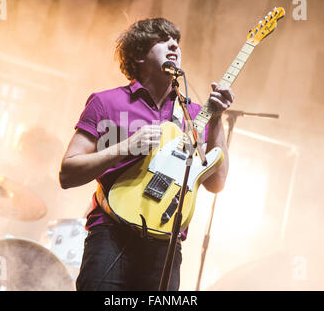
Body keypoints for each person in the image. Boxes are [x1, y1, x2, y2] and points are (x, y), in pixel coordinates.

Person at [59, 17, 234, 291]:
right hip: (111, 234)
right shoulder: (107, 102)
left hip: (166, 245)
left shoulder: (195, 114)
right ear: (139, 55)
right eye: (162, 40)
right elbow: (67, 173)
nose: (174, 44)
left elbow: (216, 183)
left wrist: (216, 119)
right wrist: (125, 147)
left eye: (176, 40)